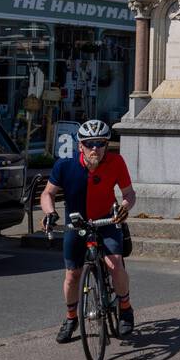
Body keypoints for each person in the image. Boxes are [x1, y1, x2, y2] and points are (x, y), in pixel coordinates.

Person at [40, 119, 138, 342]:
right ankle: (71, 318)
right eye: (89, 143)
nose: (95, 148)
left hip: (106, 220)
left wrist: (124, 207)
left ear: (106, 145)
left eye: (101, 143)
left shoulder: (116, 162)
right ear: (80, 145)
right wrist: (49, 213)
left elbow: (129, 194)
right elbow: (48, 194)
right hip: (76, 223)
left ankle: (125, 308)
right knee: (72, 275)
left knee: (114, 263)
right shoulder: (65, 165)